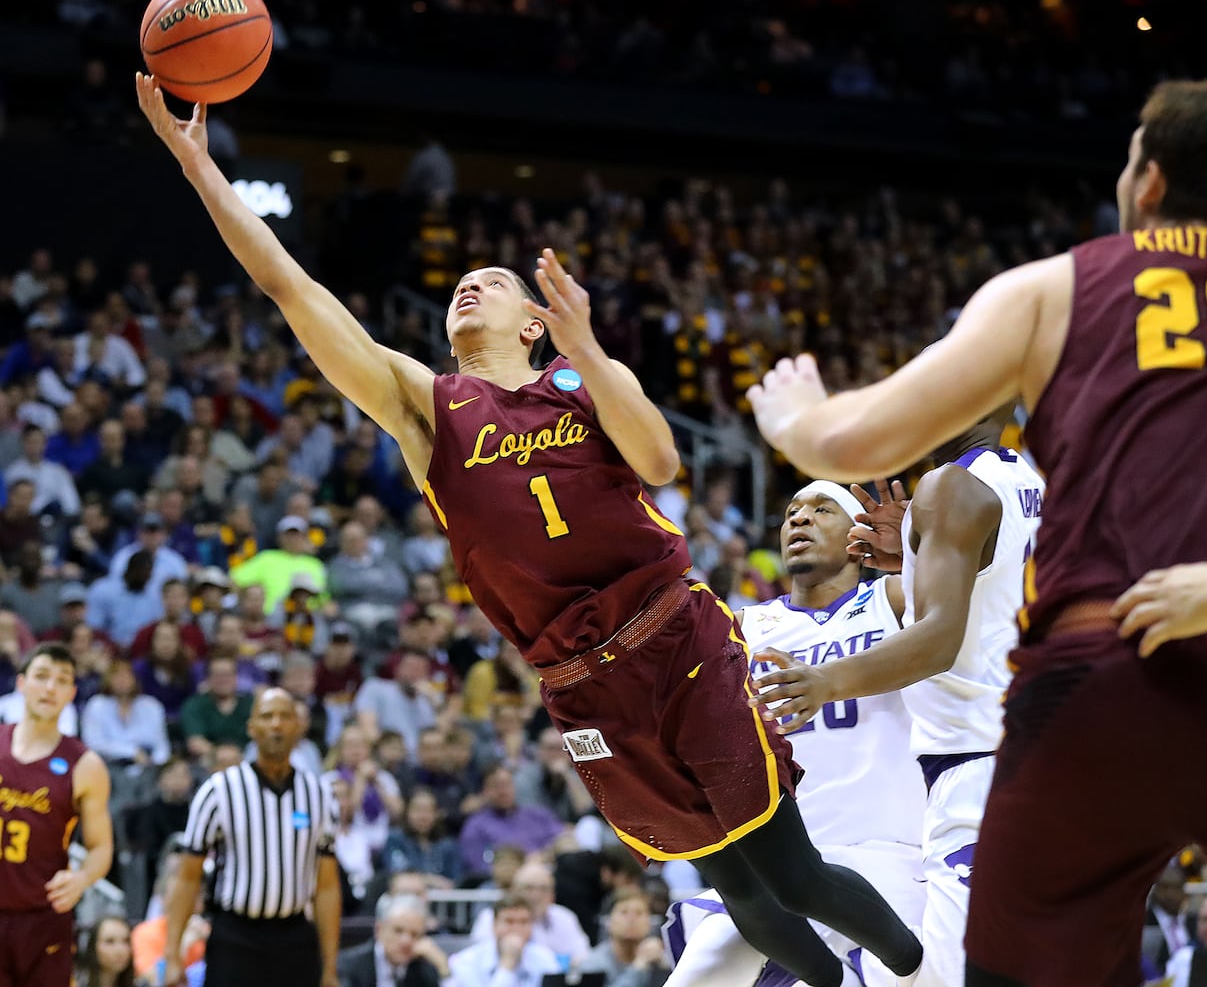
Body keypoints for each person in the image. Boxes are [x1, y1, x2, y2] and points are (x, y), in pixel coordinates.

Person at [136, 73, 923, 987]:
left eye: (495, 282)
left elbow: (664, 463)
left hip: (675, 638)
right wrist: (197, 167)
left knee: (790, 871)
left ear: (536, 323)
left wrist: (588, 348)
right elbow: (286, 282)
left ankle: (923, 968)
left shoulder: (580, 381)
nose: (472, 287)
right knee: (737, 892)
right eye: (462, 284)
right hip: (582, 683)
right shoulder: (424, 404)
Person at [746, 77, 1207, 986]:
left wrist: (793, 418)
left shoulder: (1054, 297)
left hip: (1044, 731)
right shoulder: (1033, 479)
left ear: (1152, 184)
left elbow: (930, 612)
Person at [752, 415, 1043, 987]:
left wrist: (825, 682)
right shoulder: (1023, 479)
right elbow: (991, 578)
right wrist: (917, 553)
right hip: (1013, 755)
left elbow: (938, 639)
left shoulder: (947, 489)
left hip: (975, 773)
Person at [667, 480, 926, 987]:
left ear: (861, 538)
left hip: (888, 850)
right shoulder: (741, 626)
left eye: (822, 509)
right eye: (791, 513)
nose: (799, 520)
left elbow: (971, 593)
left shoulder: (894, 599)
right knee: (698, 972)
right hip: (784, 857)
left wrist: (911, 558)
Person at [160, 688, 341, 987]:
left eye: (285, 716)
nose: (276, 724)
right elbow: (188, 877)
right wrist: (173, 954)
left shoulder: (319, 795)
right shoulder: (219, 791)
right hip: (235, 936)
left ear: (298, 726)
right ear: (251, 727)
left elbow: (327, 886)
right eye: (267, 716)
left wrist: (330, 966)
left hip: (295, 935)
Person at [0, 642, 113, 987]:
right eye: (42, 676)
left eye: (61, 680)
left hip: (44, 917)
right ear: (21, 684)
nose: (50, 687)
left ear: (71, 693)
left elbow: (101, 849)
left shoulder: (86, 765)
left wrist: (81, 879)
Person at [446, 894, 562, 987]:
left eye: (524, 922)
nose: (517, 929)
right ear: (495, 925)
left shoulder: (545, 958)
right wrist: (507, 964)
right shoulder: (466, 962)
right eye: (509, 921)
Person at [336, 893, 448, 987]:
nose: (406, 941)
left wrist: (444, 968)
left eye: (415, 934)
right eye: (398, 931)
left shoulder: (425, 971)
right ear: (379, 930)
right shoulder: (348, 967)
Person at [78, 914, 137, 987]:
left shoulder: (143, 984)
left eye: (126, 941)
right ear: (93, 946)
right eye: (110, 941)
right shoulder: (75, 983)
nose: (120, 950)